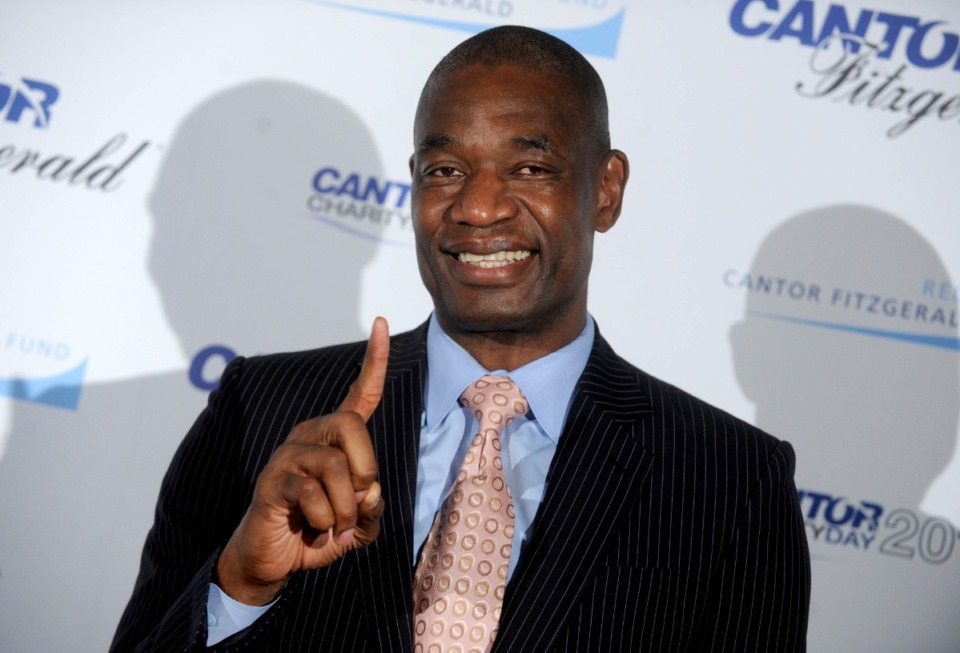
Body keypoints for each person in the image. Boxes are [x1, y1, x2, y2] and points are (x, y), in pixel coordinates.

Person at [113, 26, 810, 652]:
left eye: (530, 168)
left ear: (605, 189)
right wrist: (239, 587)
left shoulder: (729, 479)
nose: (477, 208)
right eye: (444, 171)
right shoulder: (258, 411)